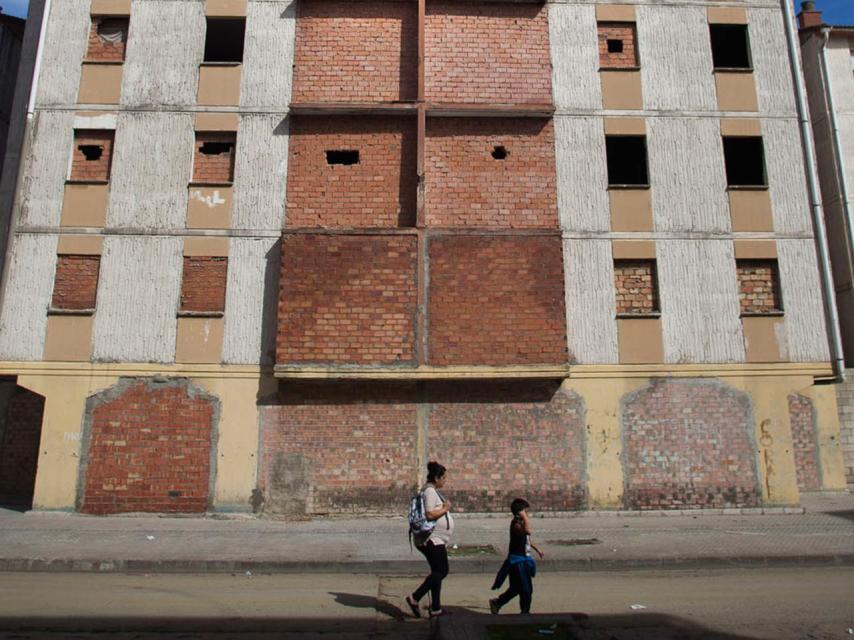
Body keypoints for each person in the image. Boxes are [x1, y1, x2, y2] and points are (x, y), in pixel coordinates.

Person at [406, 461, 454, 618]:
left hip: (435, 538)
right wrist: (446, 508)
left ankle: (436, 608)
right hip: (432, 539)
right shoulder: (430, 492)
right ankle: (415, 597)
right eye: (444, 478)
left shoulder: (430, 491)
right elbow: (429, 514)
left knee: (436, 572)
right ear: (436, 477)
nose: (445, 481)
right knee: (442, 571)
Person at [489, 498, 544, 615]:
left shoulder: (521, 524)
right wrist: (525, 517)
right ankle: (525, 612)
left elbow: (527, 539)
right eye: (525, 511)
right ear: (520, 512)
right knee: (525, 589)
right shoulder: (516, 525)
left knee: (516, 588)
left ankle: (497, 603)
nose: (527, 513)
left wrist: (537, 549)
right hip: (517, 563)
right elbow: (528, 531)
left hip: (523, 560)